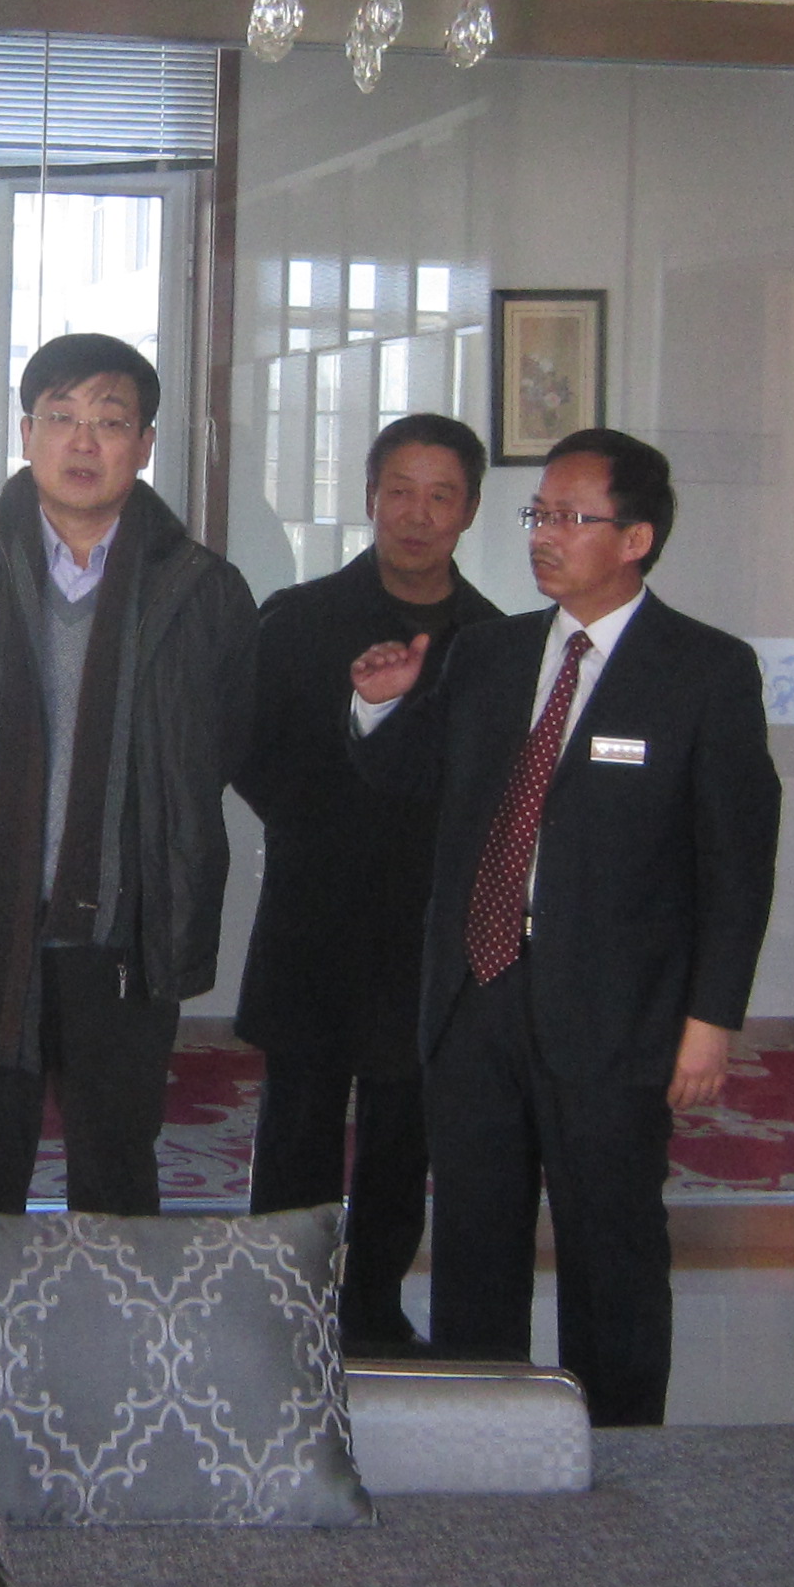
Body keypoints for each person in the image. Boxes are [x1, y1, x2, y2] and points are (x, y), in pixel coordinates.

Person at [349, 429, 775, 1419]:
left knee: (610, 1247)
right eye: (538, 513)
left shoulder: (704, 671)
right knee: (474, 1246)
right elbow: (411, 782)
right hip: (479, 993)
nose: (544, 534)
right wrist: (379, 708)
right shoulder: (489, 652)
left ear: (635, 537)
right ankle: (481, 1440)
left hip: (616, 1009)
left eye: (571, 517)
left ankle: (621, 1451)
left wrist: (711, 1017)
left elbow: (737, 861)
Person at [0, 335, 255, 1216]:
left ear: (145, 444)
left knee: (116, 1169)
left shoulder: (202, 590)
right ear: (26, 433)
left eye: (111, 422)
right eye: (61, 417)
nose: (84, 442)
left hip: (126, 928)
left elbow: (219, 744)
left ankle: (108, 1314)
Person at [237, 412, 498, 1349]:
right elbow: (250, 753)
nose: (417, 516)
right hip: (316, 908)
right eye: (400, 492)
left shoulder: (492, 643)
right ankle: (282, 1306)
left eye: (441, 496)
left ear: (470, 510)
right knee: (298, 1119)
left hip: (428, 924)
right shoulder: (298, 619)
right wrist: (318, 824)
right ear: (369, 498)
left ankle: (375, 1308)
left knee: (403, 1130)